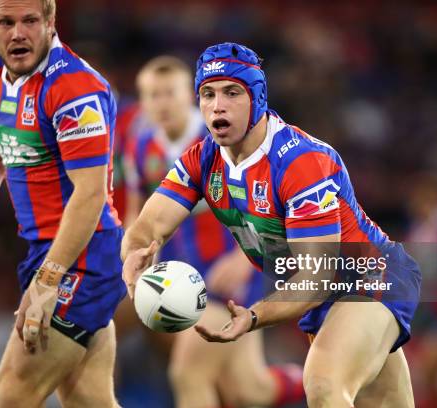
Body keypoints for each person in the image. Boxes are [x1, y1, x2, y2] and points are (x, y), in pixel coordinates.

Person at [122, 42, 421, 407]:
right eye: (208, 94)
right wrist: (135, 257)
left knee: (324, 385)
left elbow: (317, 278)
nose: (218, 105)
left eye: (232, 93)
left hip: (369, 276)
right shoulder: (201, 159)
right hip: (322, 299)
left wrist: (253, 316)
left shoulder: (300, 162)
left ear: (258, 98)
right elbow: (149, 224)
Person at [0, 0, 125, 406]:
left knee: (13, 389)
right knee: (89, 400)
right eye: (6, 22)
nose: (18, 33)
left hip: (82, 258)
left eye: (30, 21)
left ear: (50, 23)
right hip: (45, 253)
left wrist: (48, 281)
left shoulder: (75, 89)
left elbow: (89, 194)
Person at [122, 55, 304, 407]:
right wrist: (137, 254)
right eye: (152, 95)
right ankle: (308, 380)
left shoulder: (221, 136)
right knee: (247, 390)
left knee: (188, 373)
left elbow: (266, 206)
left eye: (169, 93)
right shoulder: (140, 148)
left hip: (227, 275)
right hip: (179, 276)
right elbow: (138, 216)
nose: (161, 104)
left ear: (189, 96)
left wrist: (242, 259)